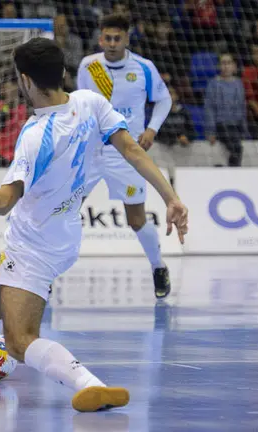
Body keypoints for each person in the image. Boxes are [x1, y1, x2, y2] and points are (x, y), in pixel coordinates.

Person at [0, 38, 188, 412]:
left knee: (18, 341)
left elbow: (4, 201)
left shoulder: (35, 134)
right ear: (61, 73)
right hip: (63, 234)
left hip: (35, 245)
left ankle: (90, 384)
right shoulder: (90, 103)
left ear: (24, 81)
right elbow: (133, 150)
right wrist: (171, 198)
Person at [77, 13, 174, 299]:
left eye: (117, 38)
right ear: (100, 38)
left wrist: (152, 130)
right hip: (92, 152)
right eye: (107, 38)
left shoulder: (144, 67)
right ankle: (46, 276)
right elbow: (81, 103)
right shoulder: (88, 66)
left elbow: (164, 99)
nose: (111, 43)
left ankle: (158, 267)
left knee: (136, 219)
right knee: (67, 210)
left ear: (127, 39)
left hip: (128, 154)